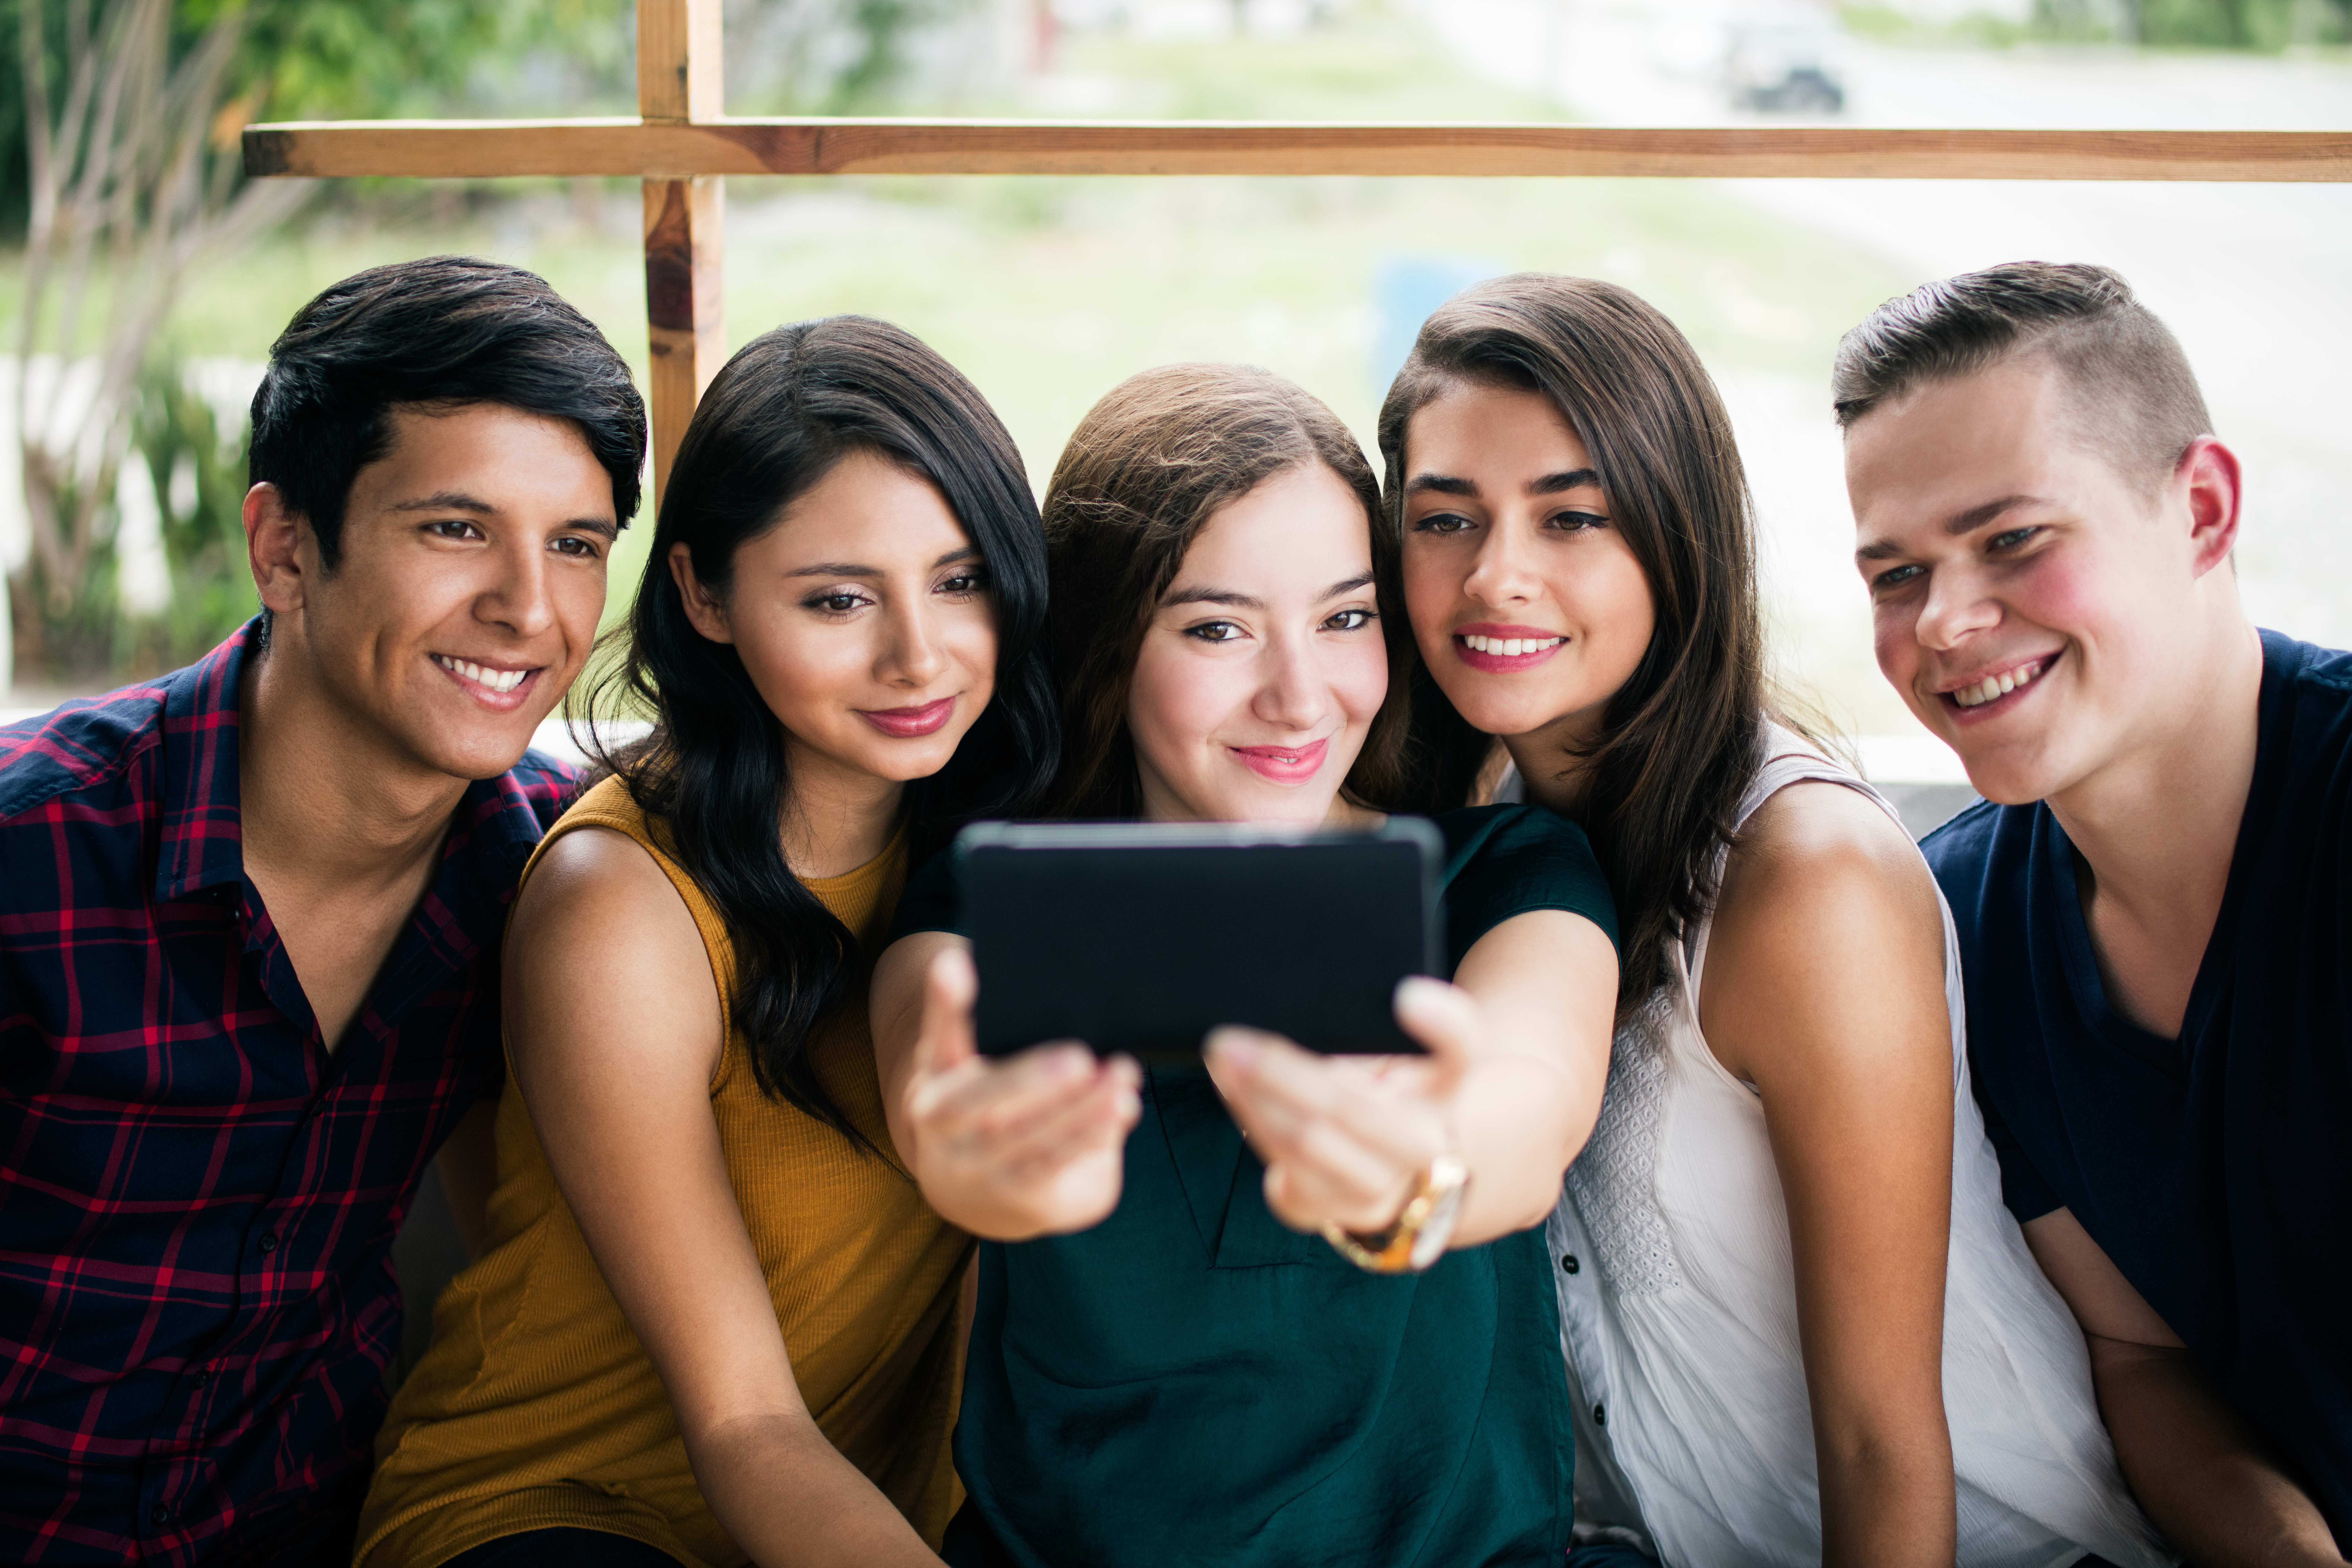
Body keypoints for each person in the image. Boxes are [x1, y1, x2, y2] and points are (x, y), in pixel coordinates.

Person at [1380, 273, 2171, 1568]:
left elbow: (1881, 1443)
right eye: (1444, 518)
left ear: (1675, 538)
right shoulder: (1486, 815)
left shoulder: (1803, 876)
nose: (1494, 577)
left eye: (1570, 516)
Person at [868, 362, 1621, 1568]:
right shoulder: (991, 896)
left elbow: (1520, 1115)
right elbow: (936, 1093)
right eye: (1217, 627)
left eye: (1344, 616)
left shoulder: (1503, 875)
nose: (1300, 695)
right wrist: (980, 1163)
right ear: (1109, 645)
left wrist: (1410, 1172)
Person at [353, 315, 1059, 1568]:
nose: (919, 655)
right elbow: (742, 1423)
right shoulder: (619, 904)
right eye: (838, 598)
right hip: (556, 1511)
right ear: (702, 593)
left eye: (959, 581)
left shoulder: (997, 844)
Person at [0, 257, 642, 1566]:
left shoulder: (551, 877)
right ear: (284, 547)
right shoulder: (32, 853)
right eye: (456, 529)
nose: (530, 609)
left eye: (575, 545)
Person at [1840, 262, 2351, 1567]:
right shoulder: (1952, 922)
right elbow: (2141, 1354)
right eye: (1895, 573)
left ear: (2201, 509)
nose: (1943, 621)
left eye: (2011, 540)